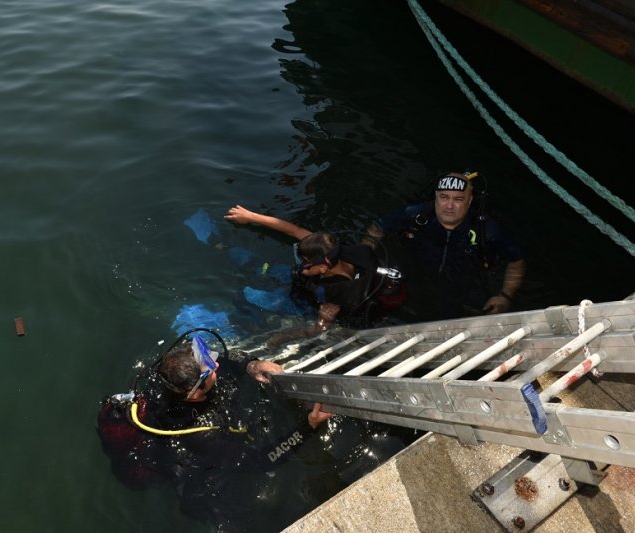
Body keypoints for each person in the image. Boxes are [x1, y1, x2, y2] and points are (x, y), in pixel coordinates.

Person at [97, 329, 333, 527]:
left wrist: (251, 365)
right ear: (195, 394)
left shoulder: (168, 374)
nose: (217, 363)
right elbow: (262, 460)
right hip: (198, 466)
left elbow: (224, 360)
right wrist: (308, 426)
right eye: (209, 366)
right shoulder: (202, 435)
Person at [366, 170, 526, 320]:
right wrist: (363, 257)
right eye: (444, 197)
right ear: (436, 197)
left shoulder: (486, 229)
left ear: (469, 201)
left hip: (463, 287)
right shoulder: (417, 215)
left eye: (458, 199)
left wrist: (505, 296)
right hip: (415, 277)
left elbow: (516, 260)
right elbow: (378, 228)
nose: (449, 205)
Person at [224, 205, 405, 336]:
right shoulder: (341, 251)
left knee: (247, 295)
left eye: (305, 264)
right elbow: (294, 231)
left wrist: (280, 339)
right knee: (258, 266)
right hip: (317, 281)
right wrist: (251, 216)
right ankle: (223, 246)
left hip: (308, 302)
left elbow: (320, 328)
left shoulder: (335, 297)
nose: (301, 267)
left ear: (323, 267)